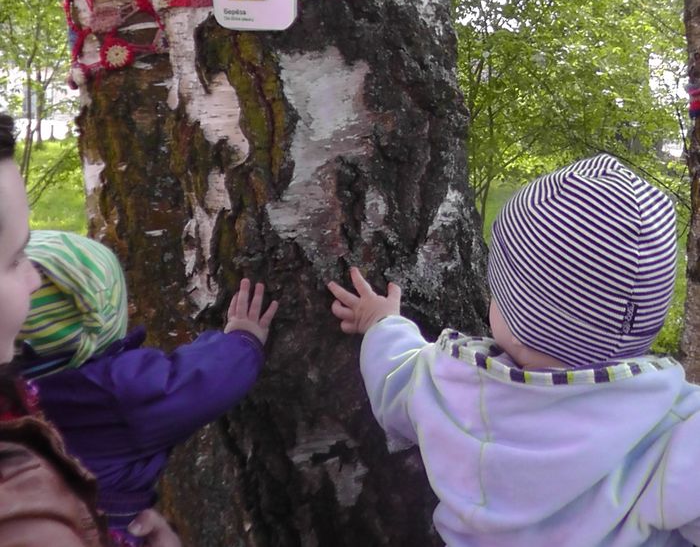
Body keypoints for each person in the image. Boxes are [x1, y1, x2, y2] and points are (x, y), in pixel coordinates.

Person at [327, 154, 700, 547]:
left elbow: (395, 376)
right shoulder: (675, 429)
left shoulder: (452, 384)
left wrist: (381, 322)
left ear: (518, 315)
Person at [16, 229, 277, 545]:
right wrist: (242, 340)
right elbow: (197, 384)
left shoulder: (18, 393)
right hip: (108, 530)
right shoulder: (112, 391)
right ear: (103, 321)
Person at [0, 112, 180, 547]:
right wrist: (246, 340)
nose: (35, 281)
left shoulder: (20, 392)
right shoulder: (28, 523)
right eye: (13, 260)